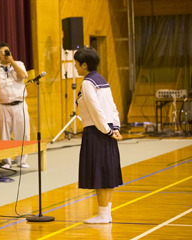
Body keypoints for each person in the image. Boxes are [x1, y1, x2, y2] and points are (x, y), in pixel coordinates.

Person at [74, 47, 123, 224]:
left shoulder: (88, 82)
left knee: (101, 174)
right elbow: (112, 107)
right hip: (107, 129)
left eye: (77, 64)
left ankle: (103, 215)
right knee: (106, 172)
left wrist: (108, 130)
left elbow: (96, 110)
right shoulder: (102, 80)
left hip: (97, 131)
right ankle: (105, 213)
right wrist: (115, 127)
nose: (75, 67)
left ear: (84, 65)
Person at [0, 42, 30, 168]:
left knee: (22, 133)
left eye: (7, 52)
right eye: (2, 53)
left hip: (19, 105)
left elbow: (23, 76)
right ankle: (7, 161)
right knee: (4, 134)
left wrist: (12, 61)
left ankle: (21, 160)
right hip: (2, 106)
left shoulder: (19, 64)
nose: (5, 55)